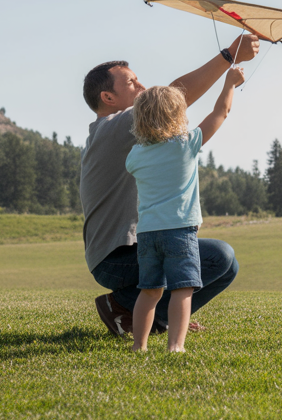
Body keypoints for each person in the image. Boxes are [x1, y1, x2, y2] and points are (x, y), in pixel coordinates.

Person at [81, 35, 258, 338]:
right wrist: (230, 54)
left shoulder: (118, 134)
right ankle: (121, 306)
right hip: (118, 258)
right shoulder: (115, 127)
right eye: (132, 83)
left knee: (225, 265)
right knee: (220, 257)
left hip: (124, 252)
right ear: (108, 98)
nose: (144, 87)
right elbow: (175, 98)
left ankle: (158, 318)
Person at [124, 70, 245, 352]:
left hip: (147, 234)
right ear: (177, 115)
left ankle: (138, 346)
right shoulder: (185, 145)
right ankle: (175, 346)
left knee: (150, 291)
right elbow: (221, 112)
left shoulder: (135, 156)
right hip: (179, 232)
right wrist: (229, 82)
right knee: (182, 289)